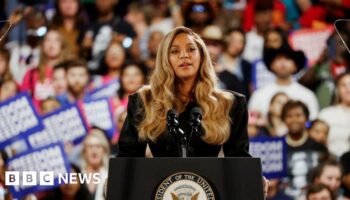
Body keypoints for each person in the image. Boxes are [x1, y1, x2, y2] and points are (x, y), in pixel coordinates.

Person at [117, 26, 269, 194]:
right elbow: (128, 158)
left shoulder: (230, 104)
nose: (184, 55)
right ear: (164, 59)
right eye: (175, 51)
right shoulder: (143, 101)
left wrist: (252, 178)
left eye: (191, 49)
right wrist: (116, 179)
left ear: (202, 56)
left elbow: (238, 158)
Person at [249, 47, 319, 120]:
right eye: (278, 59)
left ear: (295, 66)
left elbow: (312, 122)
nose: (283, 63)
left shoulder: (307, 95)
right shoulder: (259, 95)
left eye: (288, 59)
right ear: (271, 65)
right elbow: (251, 122)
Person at [281, 100, 328, 198]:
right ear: (283, 120)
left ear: (306, 118)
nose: (294, 119)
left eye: (298, 115)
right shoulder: (277, 146)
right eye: (289, 116)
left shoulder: (319, 147)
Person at [319, 72, 350, 157]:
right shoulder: (326, 114)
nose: (348, 89)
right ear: (337, 89)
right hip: (331, 161)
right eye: (343, 85)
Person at [81, 129, 110, 200]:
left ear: (104, 151)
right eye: (90, 146)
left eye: (98, 146)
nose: (94, 151)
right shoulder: (77, 176)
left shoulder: (110, 177)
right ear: (84, 152)